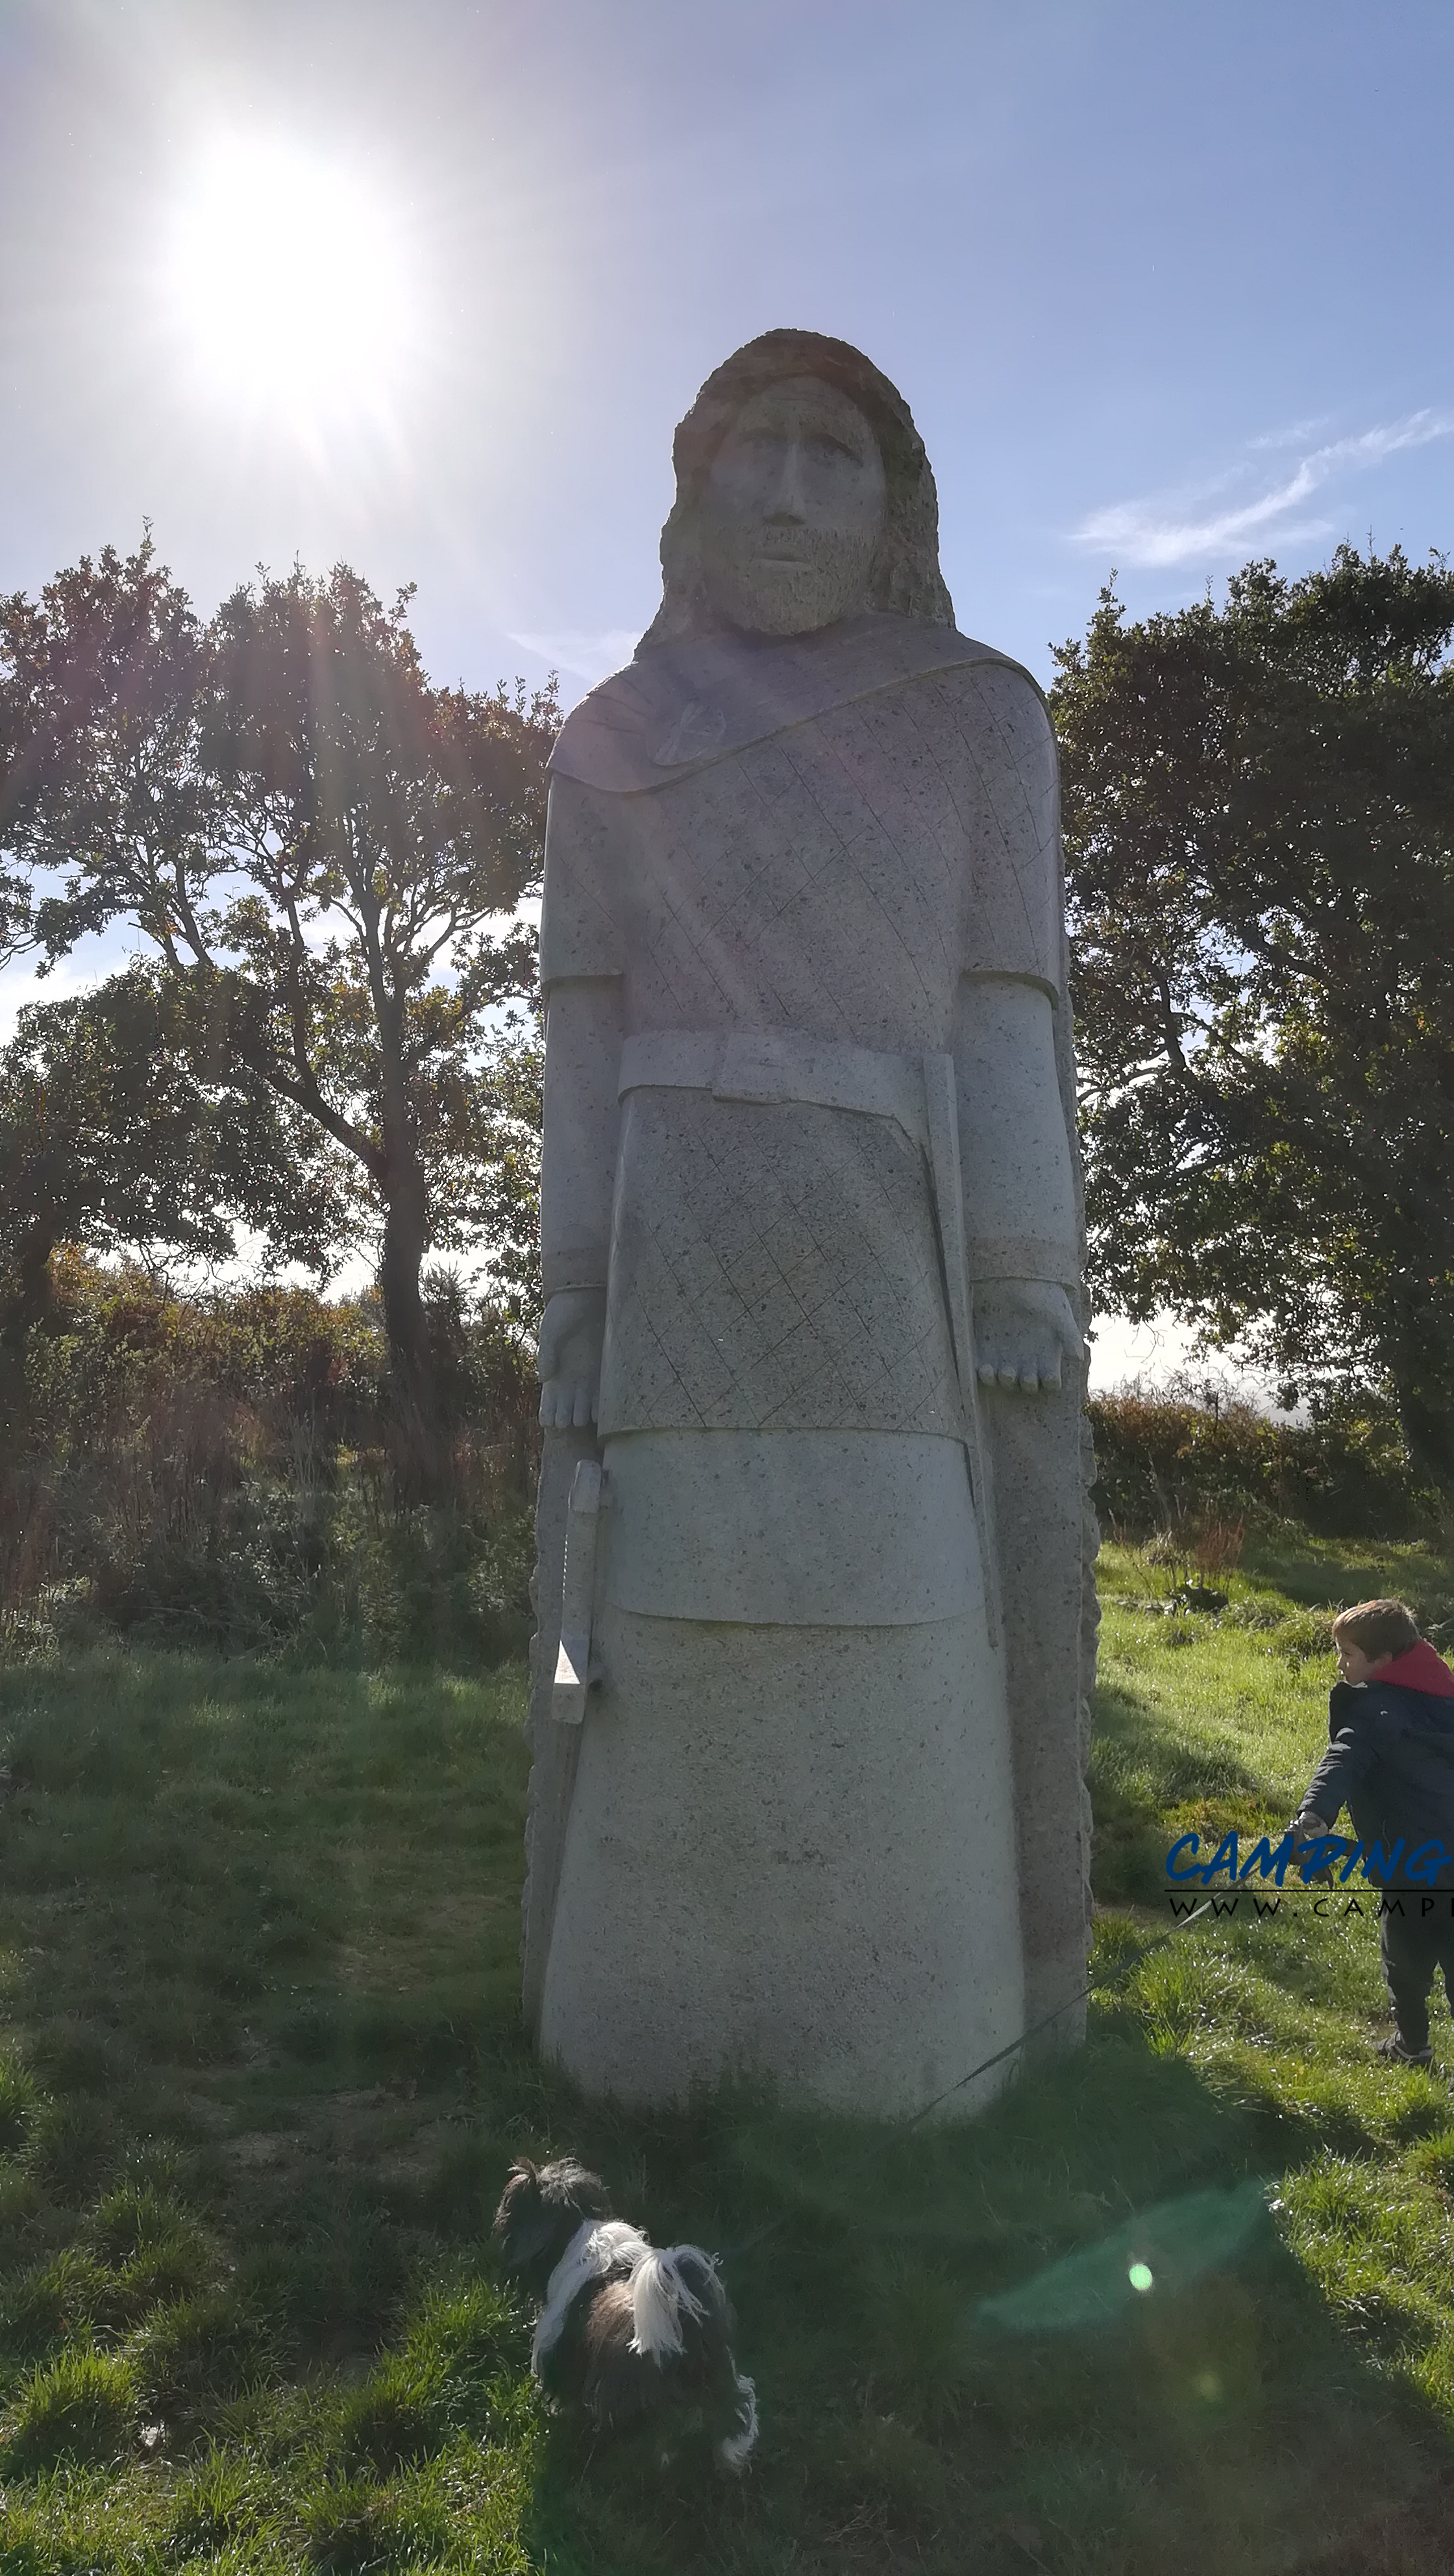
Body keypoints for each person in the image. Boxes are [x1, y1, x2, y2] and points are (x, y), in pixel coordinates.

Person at [523, 332, 1092, 2116]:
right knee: (667, 1633)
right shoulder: (616, 736)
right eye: (747, 450)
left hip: (895, 1263)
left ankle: (908, 2053)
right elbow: (585, 1036)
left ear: (894, 503)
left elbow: (1005, 1009)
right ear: (689, 494)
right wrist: (577, 1285)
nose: (783, 490)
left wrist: (1018, 1269)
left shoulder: (980, 712)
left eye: (828, 453)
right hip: (672, 1241)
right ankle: (650, 2034)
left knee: (896, 1614)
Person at [1292, 1598, 1454, 2066]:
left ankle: (1412, 2046)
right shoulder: (1443, 1694)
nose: (1340, 1663)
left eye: (1348, 1653)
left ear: (1383, 1662)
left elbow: (1342, 1761)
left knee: (1404, 1959)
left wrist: (1313, 1819)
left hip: (1413, 1865)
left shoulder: (1378, 1711)